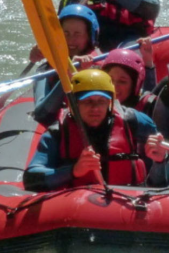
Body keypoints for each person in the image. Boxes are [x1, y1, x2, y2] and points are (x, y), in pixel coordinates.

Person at [24, 69, 157, 190]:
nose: (96, 108)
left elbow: (164, 164)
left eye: (101, 101)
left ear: (110, 103)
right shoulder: (58, 131)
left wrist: (161, 159)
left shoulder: (133, 121)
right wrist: (73, 171)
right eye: (88, 102)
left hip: (128, 204)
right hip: (77, 207)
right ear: (74, 104)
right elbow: (31, 178)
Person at [32, 4, 102, 127]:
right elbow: (41, 114)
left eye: (77, 34)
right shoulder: (45, 70)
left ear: (89, 37)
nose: (70, 40)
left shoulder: (101, 65)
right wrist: (67, 77)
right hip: (61, 129)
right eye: (66, 33)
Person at [100, 41, 156, 112]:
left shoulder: (147, 106)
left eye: (122, 81)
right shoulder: (96, 105)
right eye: (110, 80)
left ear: (134, 85)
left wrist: (148, 62)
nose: (114, 86)